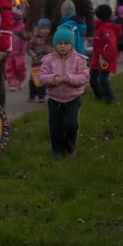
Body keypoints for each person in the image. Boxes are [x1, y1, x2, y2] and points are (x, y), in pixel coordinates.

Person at [39, 25, 89, 157]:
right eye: (59, 43)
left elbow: (84, 77)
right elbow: (42, 77)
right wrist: (53, 79)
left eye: (66, 43)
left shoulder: (79, 60)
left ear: (72, 44)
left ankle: (70, 148)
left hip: (73, 98)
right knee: (55, 127)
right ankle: (57, 151)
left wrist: (70, 78)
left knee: (71, 125)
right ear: (55, 45)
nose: (63, 46)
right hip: (54, 99)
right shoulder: (48, 60)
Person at [89, 5, 122, 103]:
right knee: (92, 78)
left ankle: (110, 98)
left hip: (104, 60)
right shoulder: (99, 27)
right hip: (97, 58)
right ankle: (99, 96)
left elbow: (111, 45)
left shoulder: (106, 29)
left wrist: (105, 58)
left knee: (103, 80)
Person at [28, 18, 53, 102]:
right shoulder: (35, 38)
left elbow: (54, 49)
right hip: (36, 62)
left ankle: (41, 96)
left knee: (43, 80)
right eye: (43, 28)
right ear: (39, 29)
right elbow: (29, 48)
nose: (45, 31)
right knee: (33, 80)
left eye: (47, 28)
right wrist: (33, 54)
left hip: (46, 63)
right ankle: (32, 95)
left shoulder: (51, 39)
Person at [6, 4, 28, 90]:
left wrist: (23, 50)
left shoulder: (22, 27)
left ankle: (21, 79)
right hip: (10, 52)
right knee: (9, 68)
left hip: (19, 53)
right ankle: (12, 82)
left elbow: (25, 40)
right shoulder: (8, 27)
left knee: (20, 67)